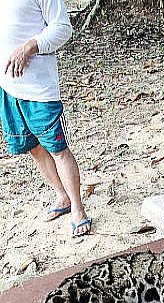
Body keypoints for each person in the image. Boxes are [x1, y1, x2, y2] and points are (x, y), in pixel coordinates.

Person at [0, 0, 91, 238]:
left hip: (39, 88)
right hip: (8, 86)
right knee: (34, 148)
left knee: (57, 149)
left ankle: (78, 210)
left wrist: (30, 46)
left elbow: (62, 27)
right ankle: (62, 197)